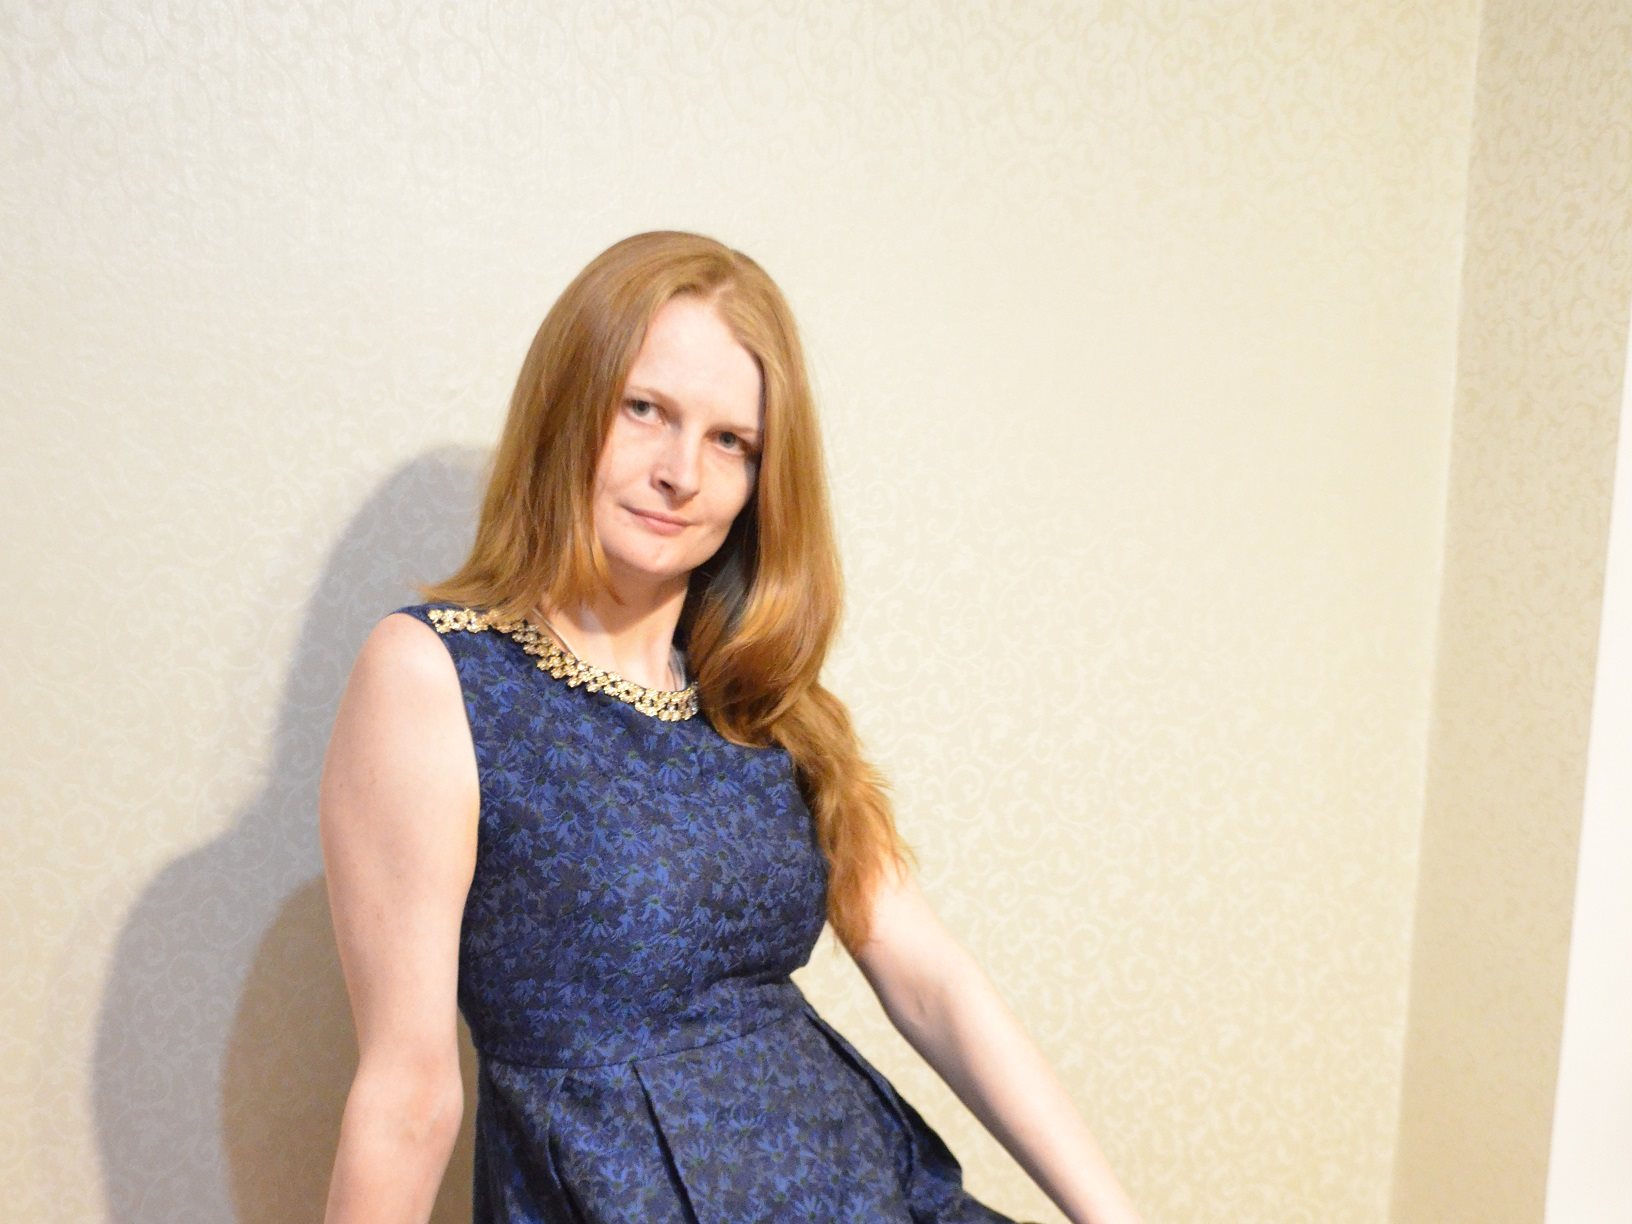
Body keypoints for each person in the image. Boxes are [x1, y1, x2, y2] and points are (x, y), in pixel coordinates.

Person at [318, 230, 1144, 1223]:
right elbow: (408, 1096)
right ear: (567, 405)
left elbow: (929, 979)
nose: (683, 473)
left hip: (867, 1189)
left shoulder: (763, 697)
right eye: (645, 410)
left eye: (731, 443)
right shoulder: (437, 674)